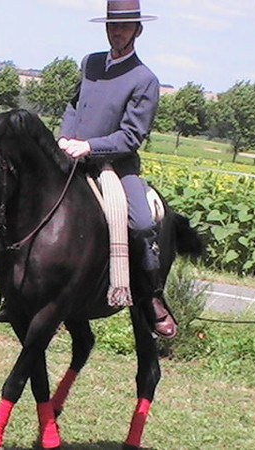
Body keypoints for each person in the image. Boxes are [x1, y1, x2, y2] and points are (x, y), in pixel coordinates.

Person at [57, 0, 176, 338]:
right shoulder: (90, 62)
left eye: (124, 26)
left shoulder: (145, 79)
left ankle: (150, 295)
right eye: (112, 25)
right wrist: (66, 137)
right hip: (72, 155)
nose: (117, 31)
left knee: (139, 223)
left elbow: (131, 136)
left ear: (138, 30)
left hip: (117, 165)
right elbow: (74, 104)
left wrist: (90, 146)